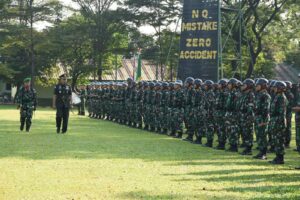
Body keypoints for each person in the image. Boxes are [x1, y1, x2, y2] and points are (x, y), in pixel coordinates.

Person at [269, 81, 287, 164]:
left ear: (280, 88)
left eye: (276, 87)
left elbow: (281, 112)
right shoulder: (277, 96)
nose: (274, 89)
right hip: (275, 121)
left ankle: (280, 158)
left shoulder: (282, 97)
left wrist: (278, 122)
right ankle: (277, 157)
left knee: (279, 140)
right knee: (276, 140)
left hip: (279, 122)